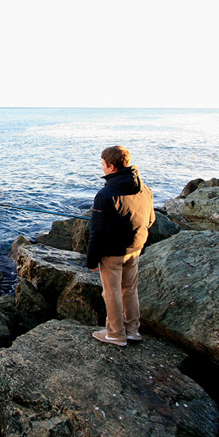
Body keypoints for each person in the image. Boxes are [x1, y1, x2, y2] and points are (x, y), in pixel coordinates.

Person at [87, 146, 155, 347]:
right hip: (135, 249)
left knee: (112, 292)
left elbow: (96, 232)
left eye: (103, 164)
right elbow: (150, 219)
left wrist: (91, 260)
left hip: (112, 254)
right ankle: (132, 330)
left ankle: (115, 334)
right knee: (130, 289)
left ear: (112, 166)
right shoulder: (144, 188)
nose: (101, 167)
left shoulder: (105, 194)